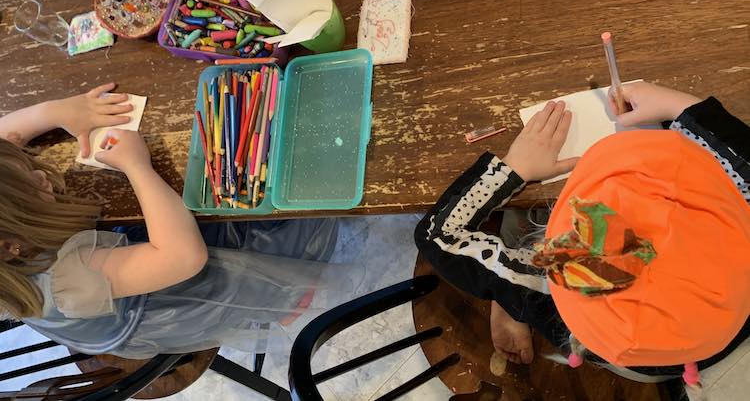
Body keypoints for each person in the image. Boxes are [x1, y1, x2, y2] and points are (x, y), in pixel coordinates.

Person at [415, 81, 750, 391]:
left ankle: (509, 300)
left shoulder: (547, 289)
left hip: (589, 335)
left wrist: (515, 168)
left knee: (516, 256)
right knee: (520, 283)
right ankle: (508, 297)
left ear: (556, 250)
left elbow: (438, 235)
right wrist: (677, 105)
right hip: (701, 344)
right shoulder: (739, 229)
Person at [0, 84, 360, 359]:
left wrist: (59, 110)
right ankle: (277, 296)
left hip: (114, 273)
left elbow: (5, 133)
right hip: (167, 298)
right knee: (265, 211)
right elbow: (183, 257)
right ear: (11, 243)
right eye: (33, 187)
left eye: (29, 165)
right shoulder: (71, 277)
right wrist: (135, 165)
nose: (42, 176)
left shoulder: (12, 243)